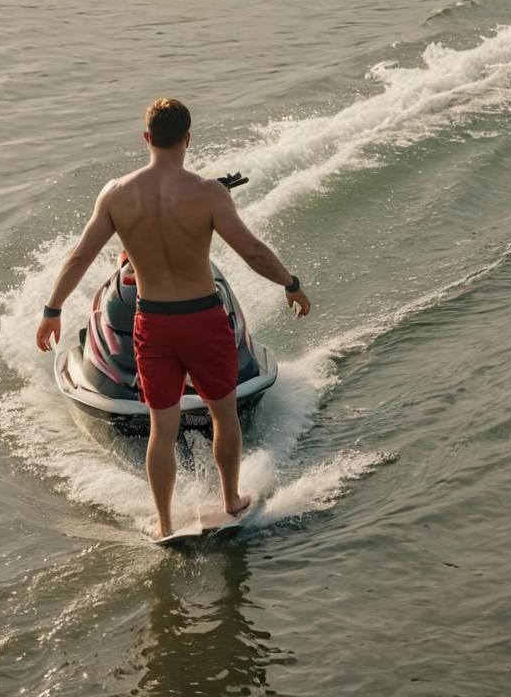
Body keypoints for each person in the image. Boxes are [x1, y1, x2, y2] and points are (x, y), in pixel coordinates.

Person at [35, 98, 311, 538]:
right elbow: (253, 251)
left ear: (146, 139)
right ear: (188, 139)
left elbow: (81, 256)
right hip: (203, 319)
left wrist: (52, 311)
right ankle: (231, 500)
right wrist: (290, 284)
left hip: (152, 324)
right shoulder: (208, 193)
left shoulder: (117, 194)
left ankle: (164, 523)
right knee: (224, 415)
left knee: (161, 429)